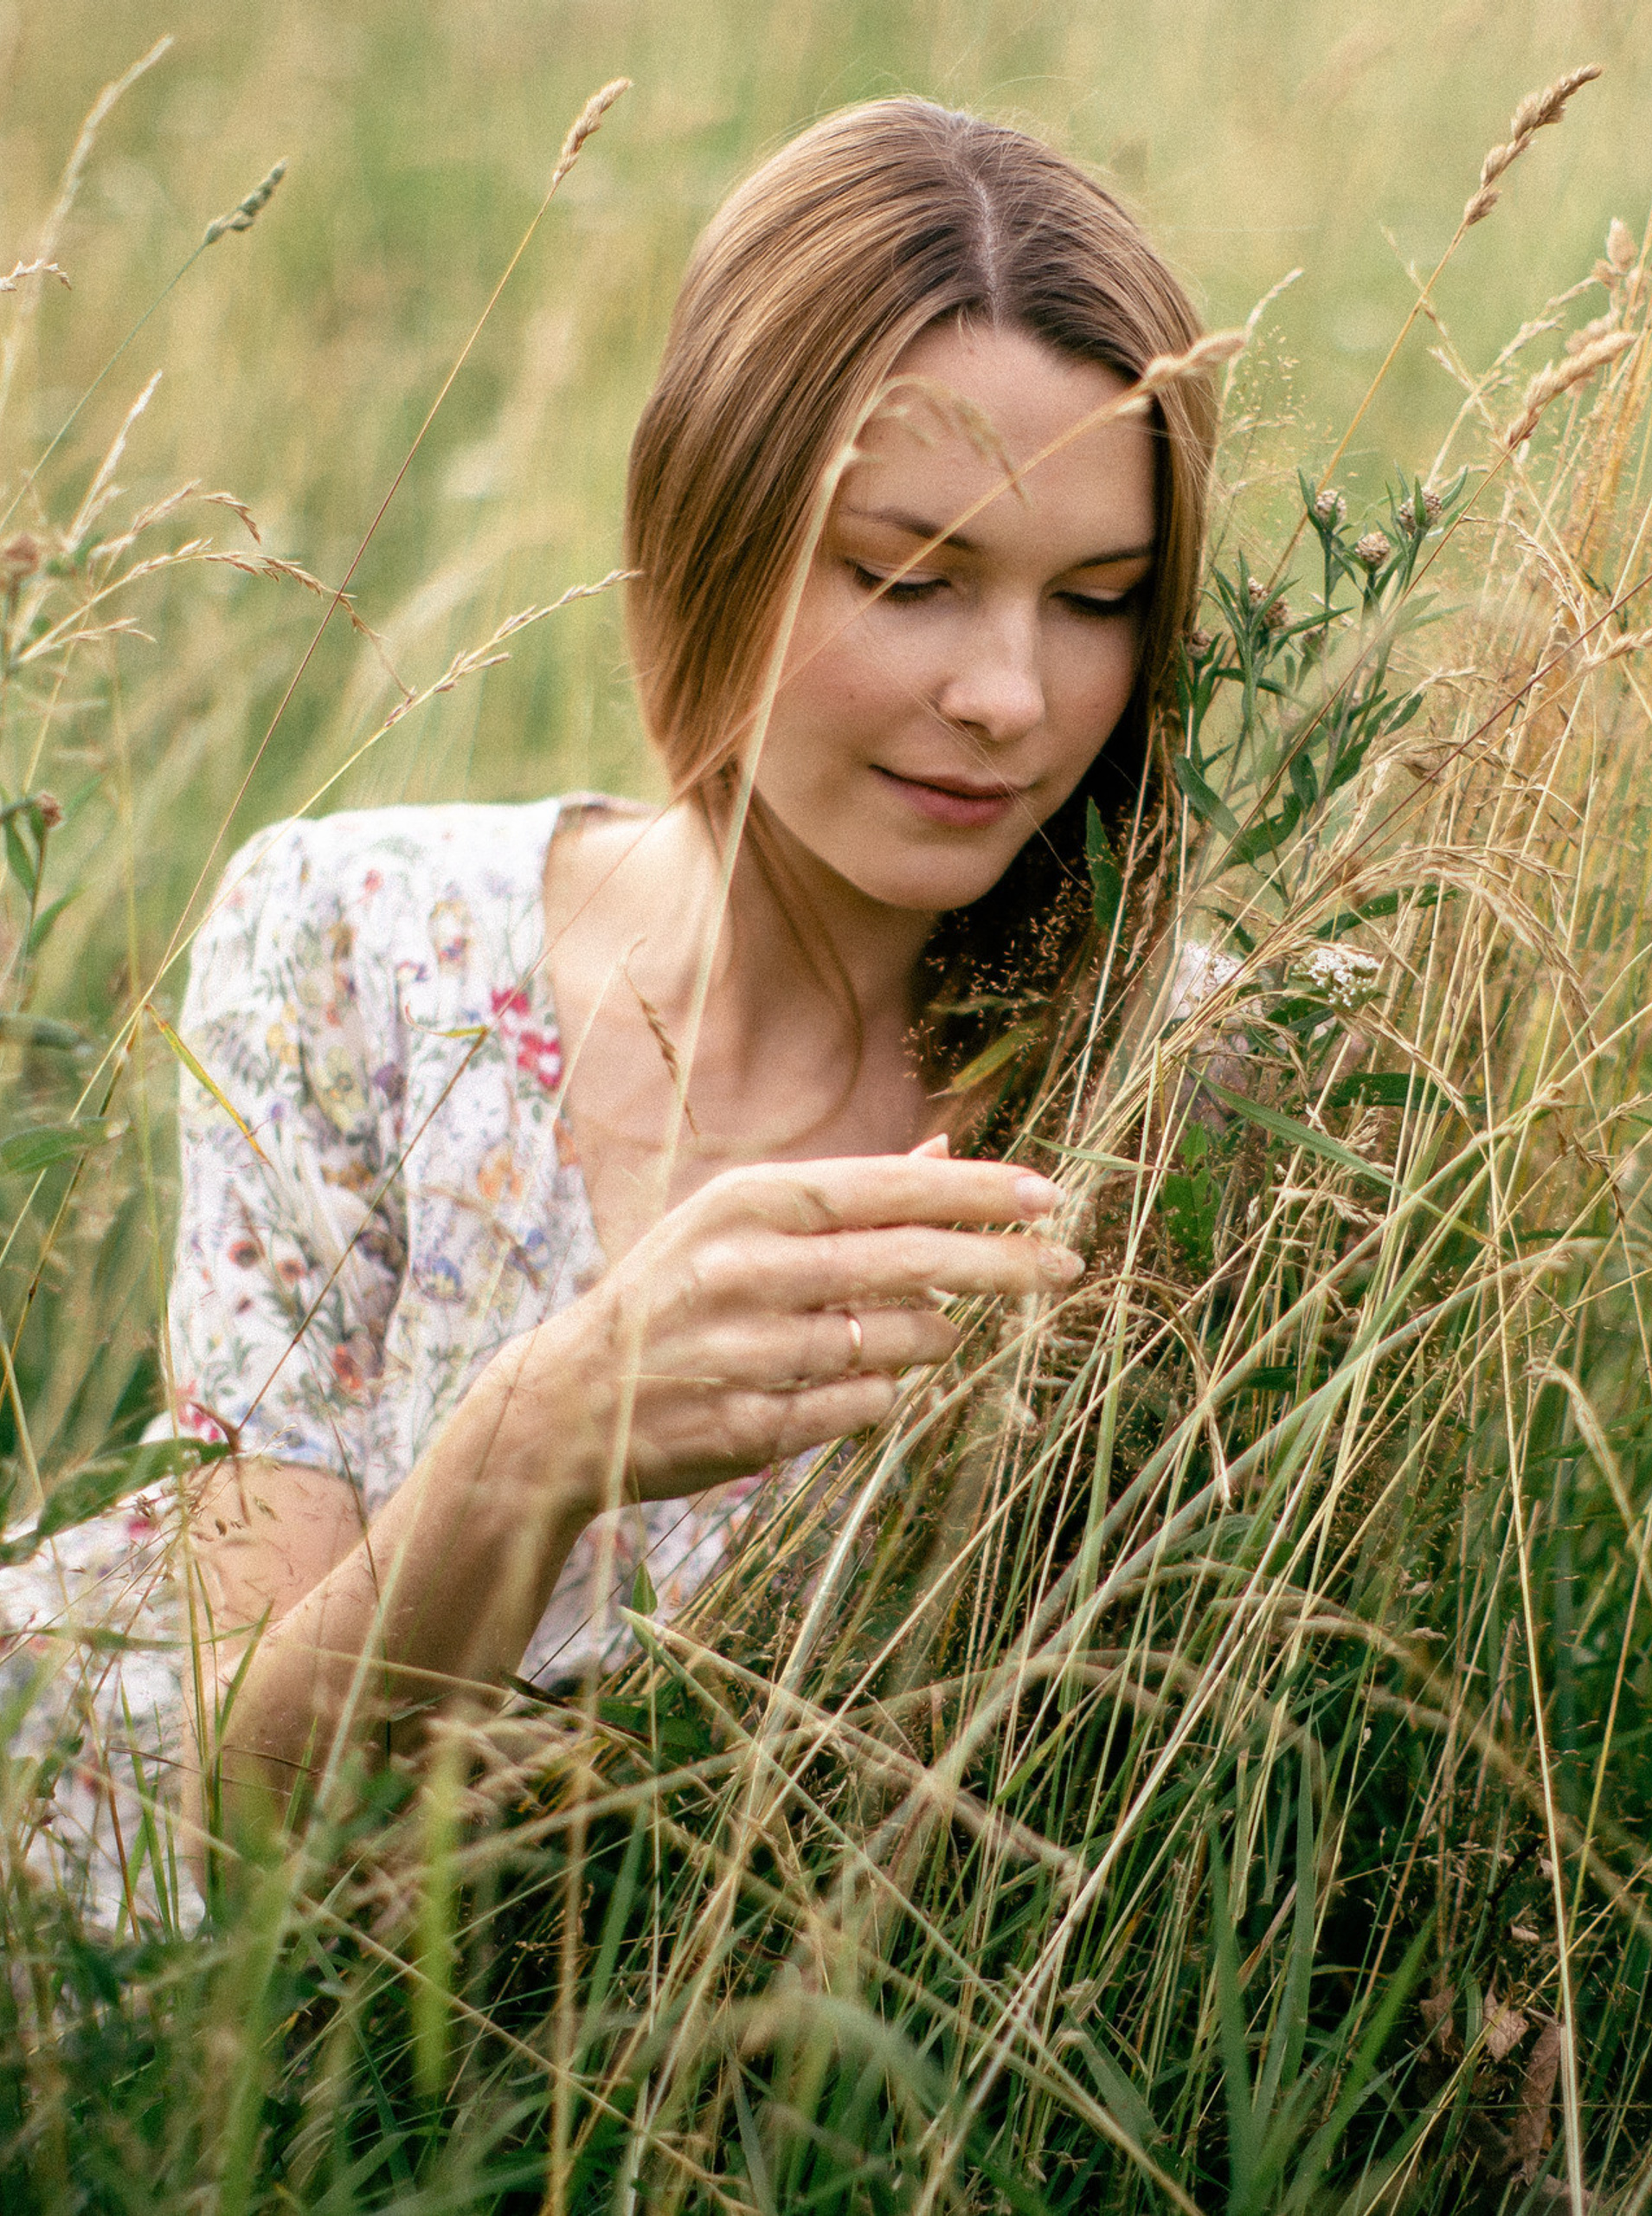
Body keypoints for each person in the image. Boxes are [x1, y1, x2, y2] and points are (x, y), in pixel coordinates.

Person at [5, 95, 1219, 1898]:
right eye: (909, 574)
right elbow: (228, 1812)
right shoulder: (356, 943)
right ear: (707, 523)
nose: (1007, 694)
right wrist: (531, 1442)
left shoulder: (1171, 1071)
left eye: (1096, 598)